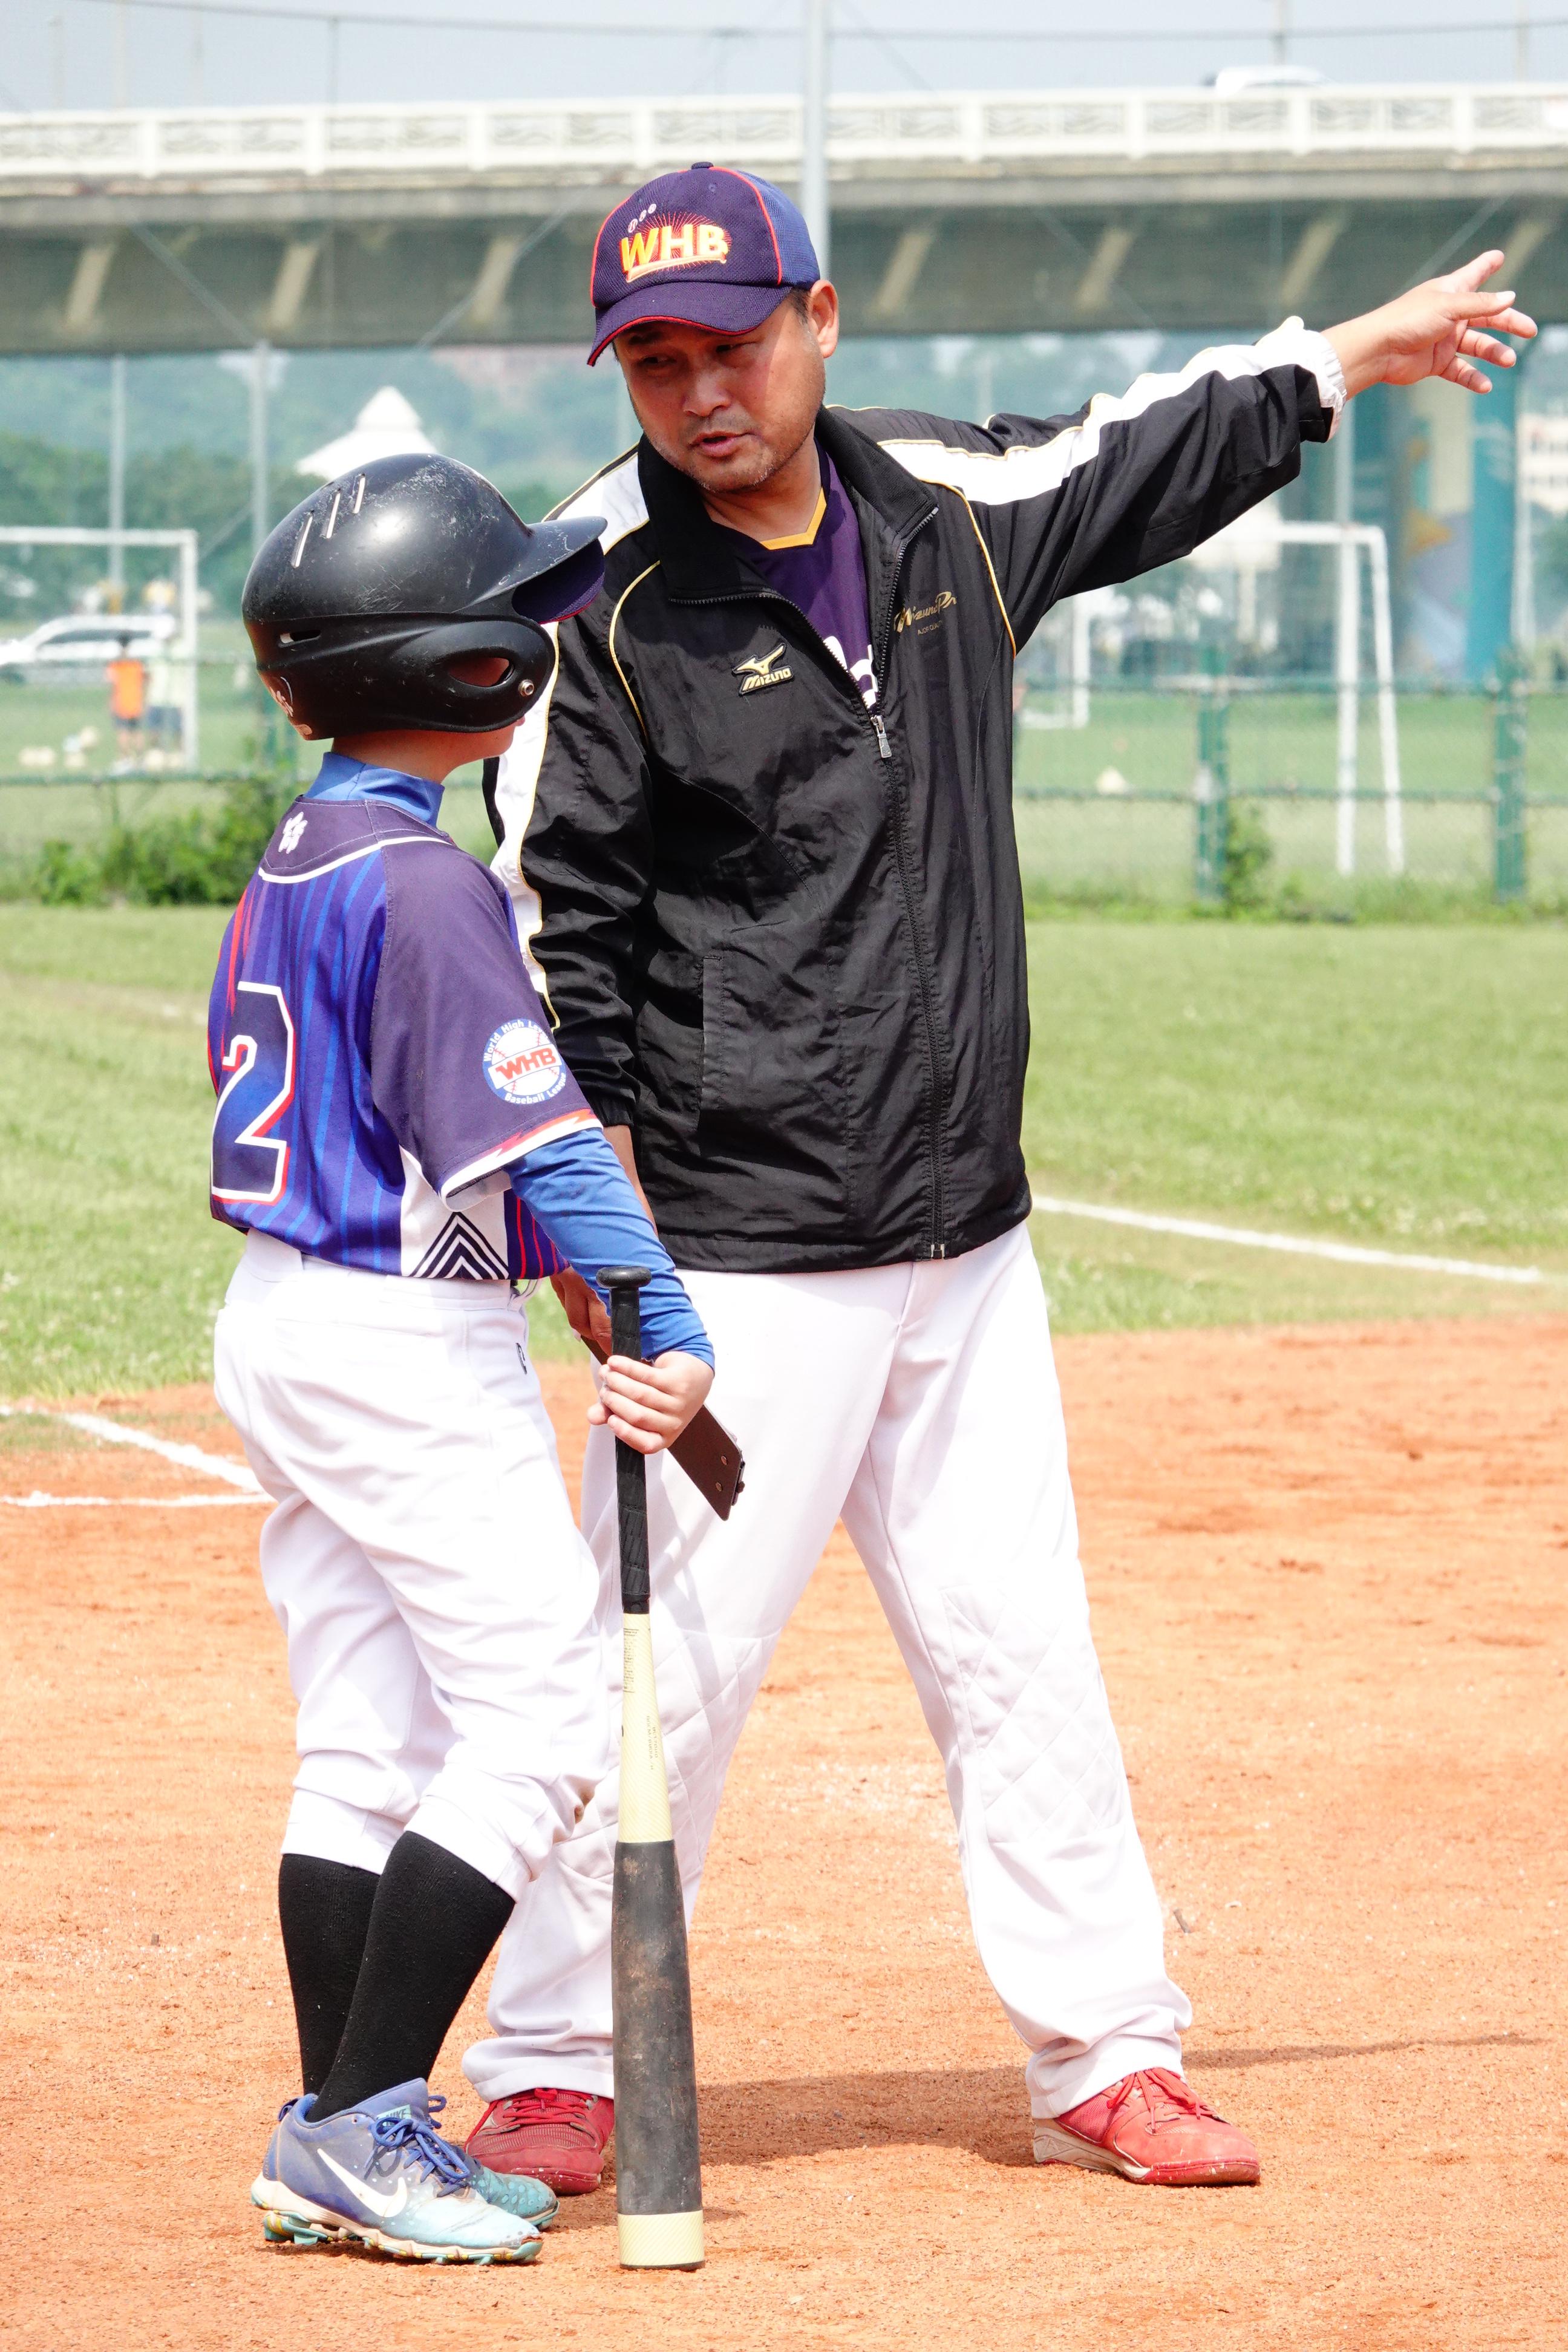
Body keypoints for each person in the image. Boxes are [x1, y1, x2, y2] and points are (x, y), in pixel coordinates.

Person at [463, 164, 1535, 2197]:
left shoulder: (946, 503)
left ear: (822, 320)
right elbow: (553, 945)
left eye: (733, 343)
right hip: (736, 1257)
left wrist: (1349, 359)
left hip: (966, 1233)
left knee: (1018, 1647)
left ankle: (1107, 2050)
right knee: (657, 1669)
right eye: (655, 360)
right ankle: (553, 2054)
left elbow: (1143, 453)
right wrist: (610, 1254)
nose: (700, 391)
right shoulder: (598, 603)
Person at [211, 453, 715, 2263]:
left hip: (289, 1317)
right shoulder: (427, 884)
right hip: (400, 1340)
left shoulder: (301, 853)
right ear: (465, 670)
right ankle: (363, 2118)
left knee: (367, 1739)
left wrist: (557, 1265)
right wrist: (660, 1312)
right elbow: (546, 1139)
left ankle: (337, 2133)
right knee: (542, 1714)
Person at [106, 643, 145, 766]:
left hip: (122, 703)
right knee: (136, 731)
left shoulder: (117, 665)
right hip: (135, 702)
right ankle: (140, 759)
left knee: (123, 732)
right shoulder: (137, 664)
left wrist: (111, 702)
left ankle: (124, 759)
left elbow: (113, 684)